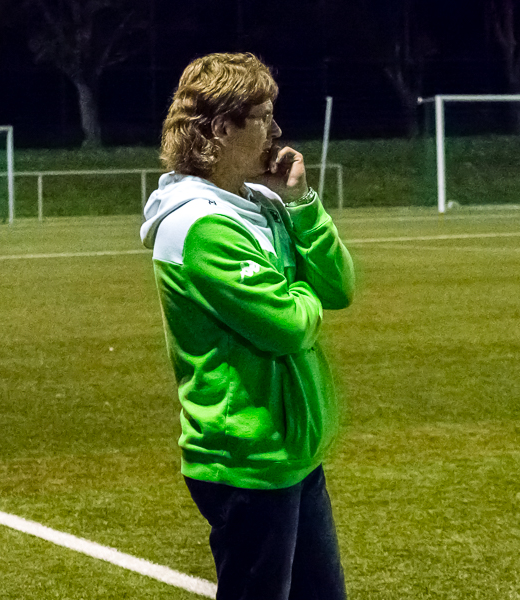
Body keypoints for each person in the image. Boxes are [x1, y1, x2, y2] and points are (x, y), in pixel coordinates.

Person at [139, 52, 355, 600]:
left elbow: (339, 288)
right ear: (220, 128)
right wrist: (300, 293)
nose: (276, 132)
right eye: (262, 117)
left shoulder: (264, 203)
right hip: (244, 459)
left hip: (292, 453)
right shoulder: (198, 225)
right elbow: (289, 326)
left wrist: (302, 203)